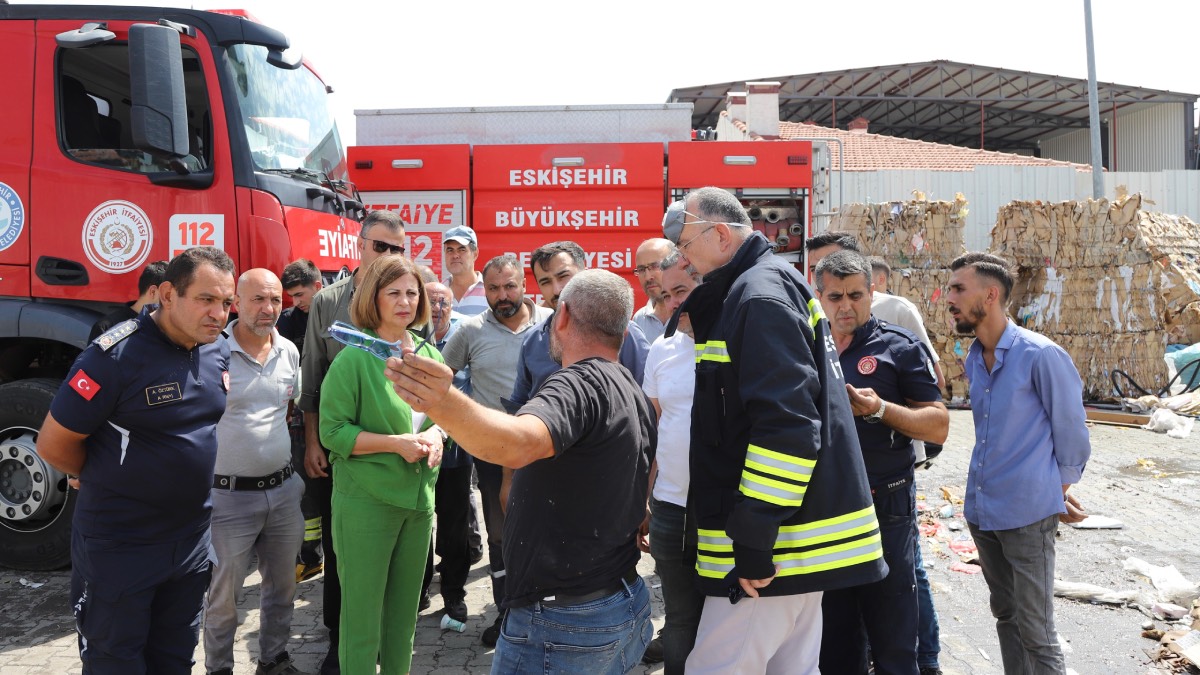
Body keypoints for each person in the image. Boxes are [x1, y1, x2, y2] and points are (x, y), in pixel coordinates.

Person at [386, 268, 655, 675]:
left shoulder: (576, 384)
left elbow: (517, 443)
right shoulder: (627, 384)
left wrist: (441, 403)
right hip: (614, 601)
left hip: (564, 621)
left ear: (561, 317)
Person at [662, 187, 886, 674]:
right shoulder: (765, 285)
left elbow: (786, 427)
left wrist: (755, 539)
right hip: (793, 547)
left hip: (773, 552)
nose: (683, 259)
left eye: (685, 244)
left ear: (720, 233)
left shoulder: (757, 295)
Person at [37, 247, 235, 674]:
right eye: (205, 299)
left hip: (189, 544)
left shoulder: (216, 350)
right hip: (121, 547)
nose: (218, 313)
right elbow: (53, 444)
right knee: (116, 662)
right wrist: (91, 474)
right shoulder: (113, 356)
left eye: (225, 302)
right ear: (167, 294)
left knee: (174, 660)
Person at [807, 231, 947, 674]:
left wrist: (881, 409)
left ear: (872, 293)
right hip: (827, 506)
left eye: (855, 295)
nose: (845, 306)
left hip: (885, 503)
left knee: (892, 632)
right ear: (819, 295)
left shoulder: (898, 347)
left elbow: (939, 423)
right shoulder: (807, 347)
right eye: (835, 296)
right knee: (835, 636)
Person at [947, 252, 1091, 675]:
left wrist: (1056, 491)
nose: (949, 299)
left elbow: (1073, 435)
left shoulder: (1040, 355)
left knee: (1037, 632)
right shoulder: (975, 356)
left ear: (990, 296)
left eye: (959, 289)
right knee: (1006, 618)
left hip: (1028, 515)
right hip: (982, 511)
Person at [318, 254, 446, 675]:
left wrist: (437, 435)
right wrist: (396, 444)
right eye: (393, 293)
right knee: (361, 622)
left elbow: (441, 416)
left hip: (417, 501)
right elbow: (332, 433)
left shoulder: (429, 353)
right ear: (372, 298)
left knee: (403, 621)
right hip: (366, 503)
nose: (405, 301)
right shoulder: (353, 357)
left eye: (412, 292)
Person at [299, 210, 408, 675]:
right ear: (360, 246)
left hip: (395, 451)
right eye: (380, 247)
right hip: (342, 444)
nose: (387, 256)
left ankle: (384, 639)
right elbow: (313, 376)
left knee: (396, 557)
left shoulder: (406, 299)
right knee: (341, 547)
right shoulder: (329, 300)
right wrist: (311, 442)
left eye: (397, 249)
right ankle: (340, 639)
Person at [439, 254, 552, 645]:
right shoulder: (470, 331)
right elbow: (442, 378)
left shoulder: (552, 323)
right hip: (493, 455)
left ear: (524, 285)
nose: (503, 296)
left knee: (548, 532)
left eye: (509, 286)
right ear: (483, 290)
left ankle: (545, 614)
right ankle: (507, 614)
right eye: (493, 288)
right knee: (501, 535)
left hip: (549, 450)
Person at [204, 269, 304, 675]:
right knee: (223, 597)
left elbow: (289, 410)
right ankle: (219, 668)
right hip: (227, 499)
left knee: (283, 587)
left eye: (276, 300)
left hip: (282, 493)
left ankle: (274, 660)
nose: (269, 309)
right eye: (258, 300)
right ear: (236, 304)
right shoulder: (211, 353)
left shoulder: (289, 352)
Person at [641, 251, 705, 674]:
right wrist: (641, 504)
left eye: (681, 291)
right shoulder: (661, 350)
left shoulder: (739, 342)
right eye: (664, 296)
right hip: (669, 509)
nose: (672, 304)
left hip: (725, 510)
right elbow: (653, 434)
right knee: (680, 618)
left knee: (727, 620)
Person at [418, 280, 475, 624]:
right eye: (432, 303)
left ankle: (453, 593)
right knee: (420, 524)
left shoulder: (463, 338)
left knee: (455, 528)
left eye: (445, 304)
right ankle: (418, 588)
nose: (438, 309)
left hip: (455, 454)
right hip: (416, 452)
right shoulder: (408, 341)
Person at [277, 258, 325, 583]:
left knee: (322, 489)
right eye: (291, 296)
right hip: (297, 420)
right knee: (304, 490)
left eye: (300, 294)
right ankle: (308, 556)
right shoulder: (287, 322)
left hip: (329, 415)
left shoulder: (331, 317)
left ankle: (319, 554)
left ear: (318, 287)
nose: (296, 302)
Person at [88, 260, 167, 340]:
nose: (172, 300)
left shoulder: (170, 330)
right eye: (168, 294)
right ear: (153, 292)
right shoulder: (107, 328)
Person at [631, 238, 676, 342]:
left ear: (676, 264)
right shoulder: (640, 319)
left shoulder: (690, 313)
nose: (647, 277)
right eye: (641, 270)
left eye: (655, 266)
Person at [443, 225, 489, 316]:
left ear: (475, 254)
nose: (455, 255)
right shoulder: (438, 292)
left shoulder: (491, 290)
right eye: (450, 250)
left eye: (462, 250)